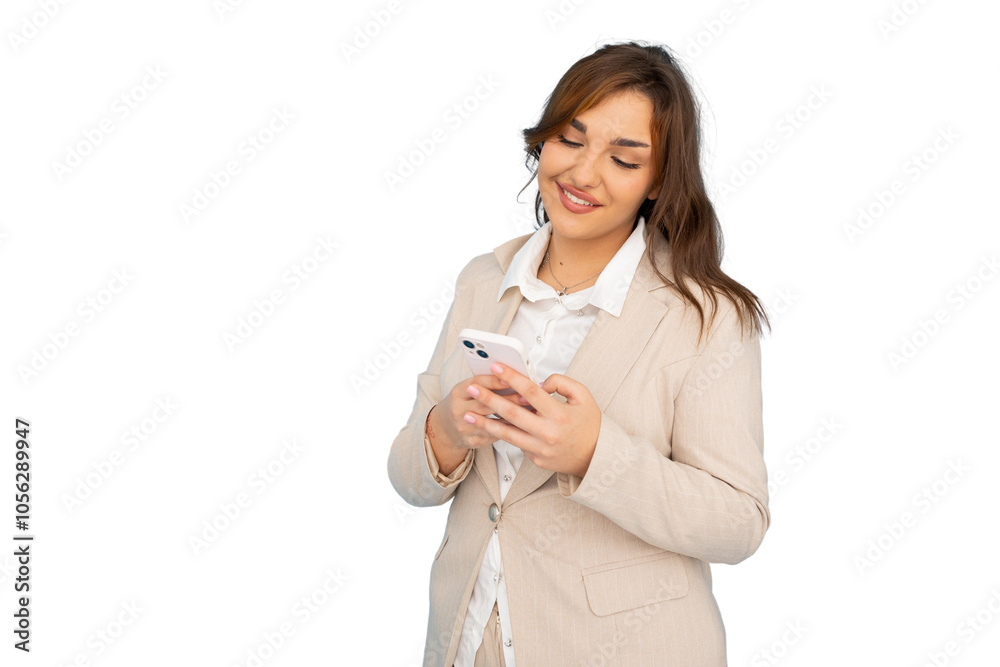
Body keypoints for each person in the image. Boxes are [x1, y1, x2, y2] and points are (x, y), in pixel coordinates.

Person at [387, 40, 771, 667]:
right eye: (571, 139)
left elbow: (738, 521)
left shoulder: (706, 315)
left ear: (658, 180)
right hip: (468, 642)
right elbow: (409, 479)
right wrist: (447, 433)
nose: (583, 173)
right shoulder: (484, 280)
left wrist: (595, 454)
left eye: (623, 159)